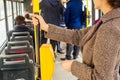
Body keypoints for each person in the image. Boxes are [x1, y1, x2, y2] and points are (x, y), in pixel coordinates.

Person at [32, 0, 120, 79]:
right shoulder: (107, 22)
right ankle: (74, 54)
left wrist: (73, 66)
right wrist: (45, 27)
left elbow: (101, 77)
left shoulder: (109, 28)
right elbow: (77, 36)